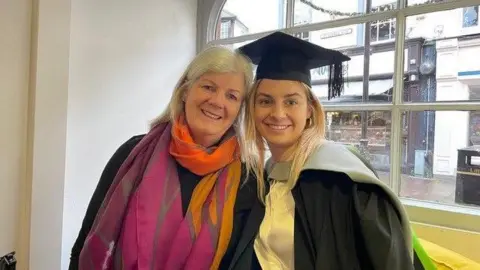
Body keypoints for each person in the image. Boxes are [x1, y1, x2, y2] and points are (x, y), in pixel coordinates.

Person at [229, 31, 415, 269]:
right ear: (252, 109)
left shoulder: (341, 182)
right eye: (265, 101)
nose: (277, 113)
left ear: (309, 109)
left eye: (291, 101)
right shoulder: (263, 179)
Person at [69, 46, 257, 270]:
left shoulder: (247, 184)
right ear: (186, 90)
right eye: (208, 87)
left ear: (239, 109)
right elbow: (85, 243)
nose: (217, 101)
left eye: (232, 96)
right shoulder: (132, 155)